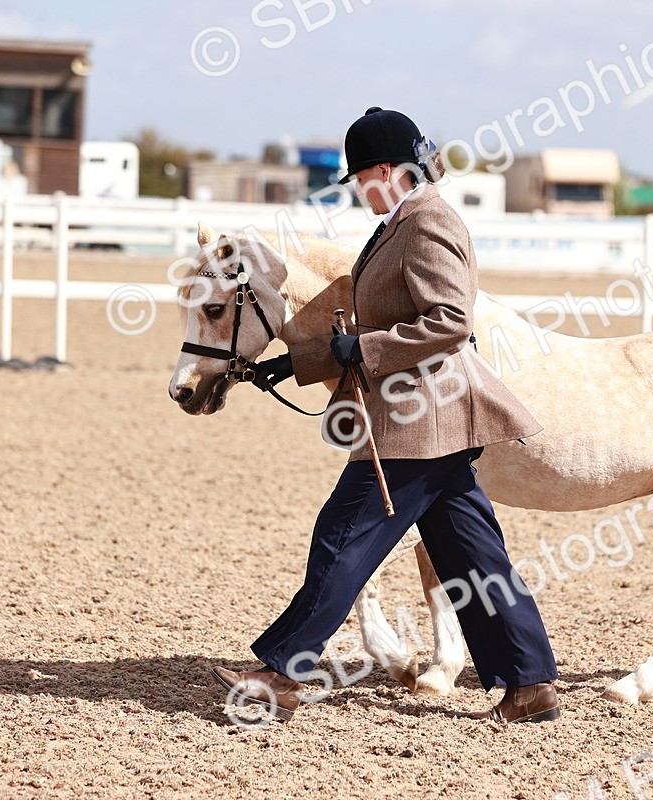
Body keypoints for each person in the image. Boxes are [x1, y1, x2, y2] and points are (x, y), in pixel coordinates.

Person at [211, 107, 560, 724]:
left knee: (342, 536)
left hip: (421, 419)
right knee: (474, 557)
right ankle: (529, 684)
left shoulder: (427, 221)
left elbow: (450, 320)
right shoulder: (401, 221)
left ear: (385, 170)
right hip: (430, 419)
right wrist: (295, 362)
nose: (358, 192)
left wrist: (364, 352)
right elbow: (379, 318)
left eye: (360, 179)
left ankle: (283, 672)